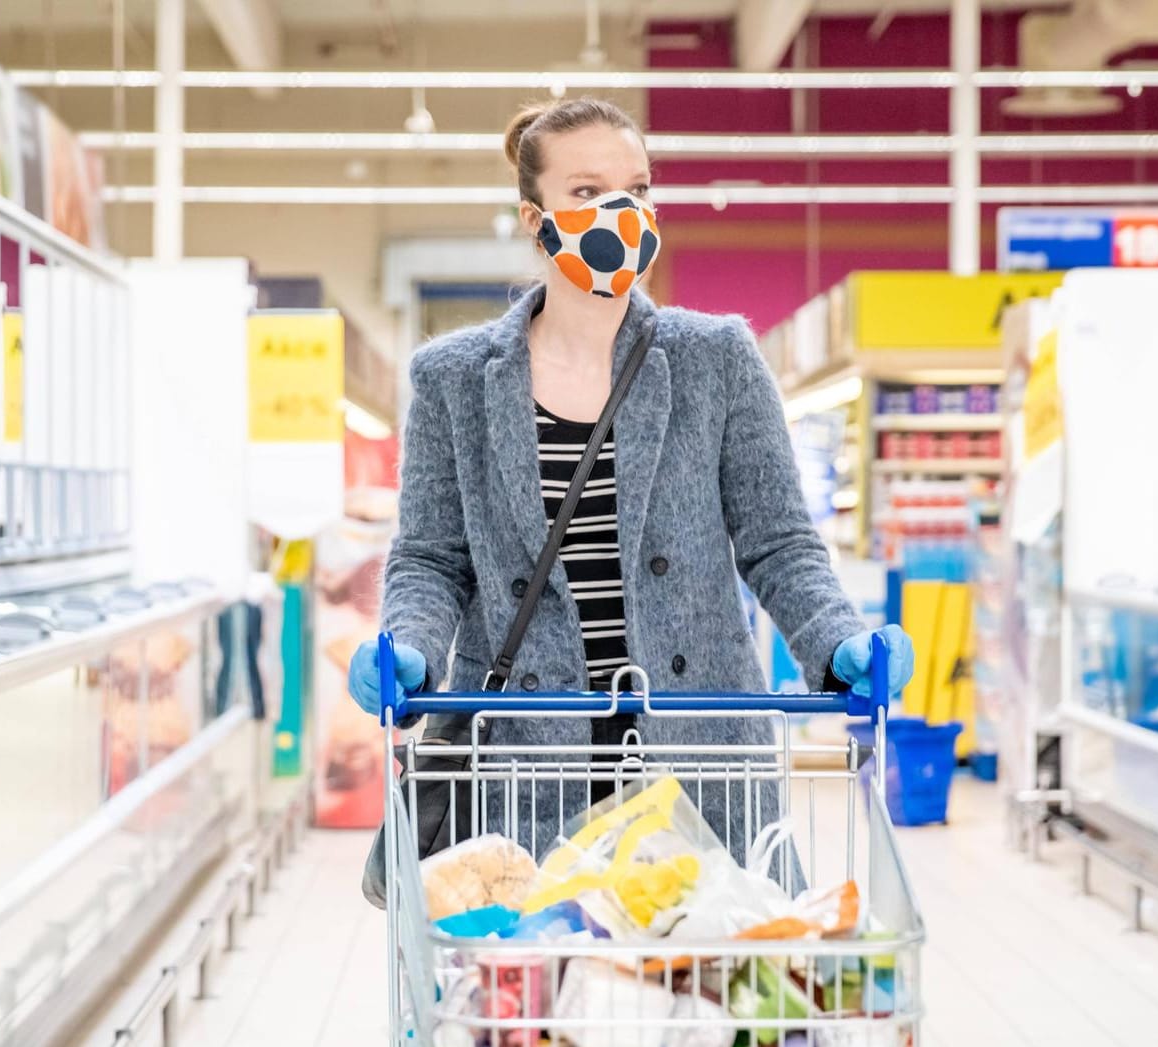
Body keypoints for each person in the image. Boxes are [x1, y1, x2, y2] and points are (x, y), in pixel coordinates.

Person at [348, 97, 913, 854]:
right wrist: (408, 645)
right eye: (586, 192)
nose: (621, 209)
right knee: (536, 969)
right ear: (532, 217)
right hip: (522, 761)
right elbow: (430, 558)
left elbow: (778, 542)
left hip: (699, 752)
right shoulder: (453, 380)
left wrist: (837, 637)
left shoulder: (717, 359)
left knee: (702, 970)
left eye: (637, 189)